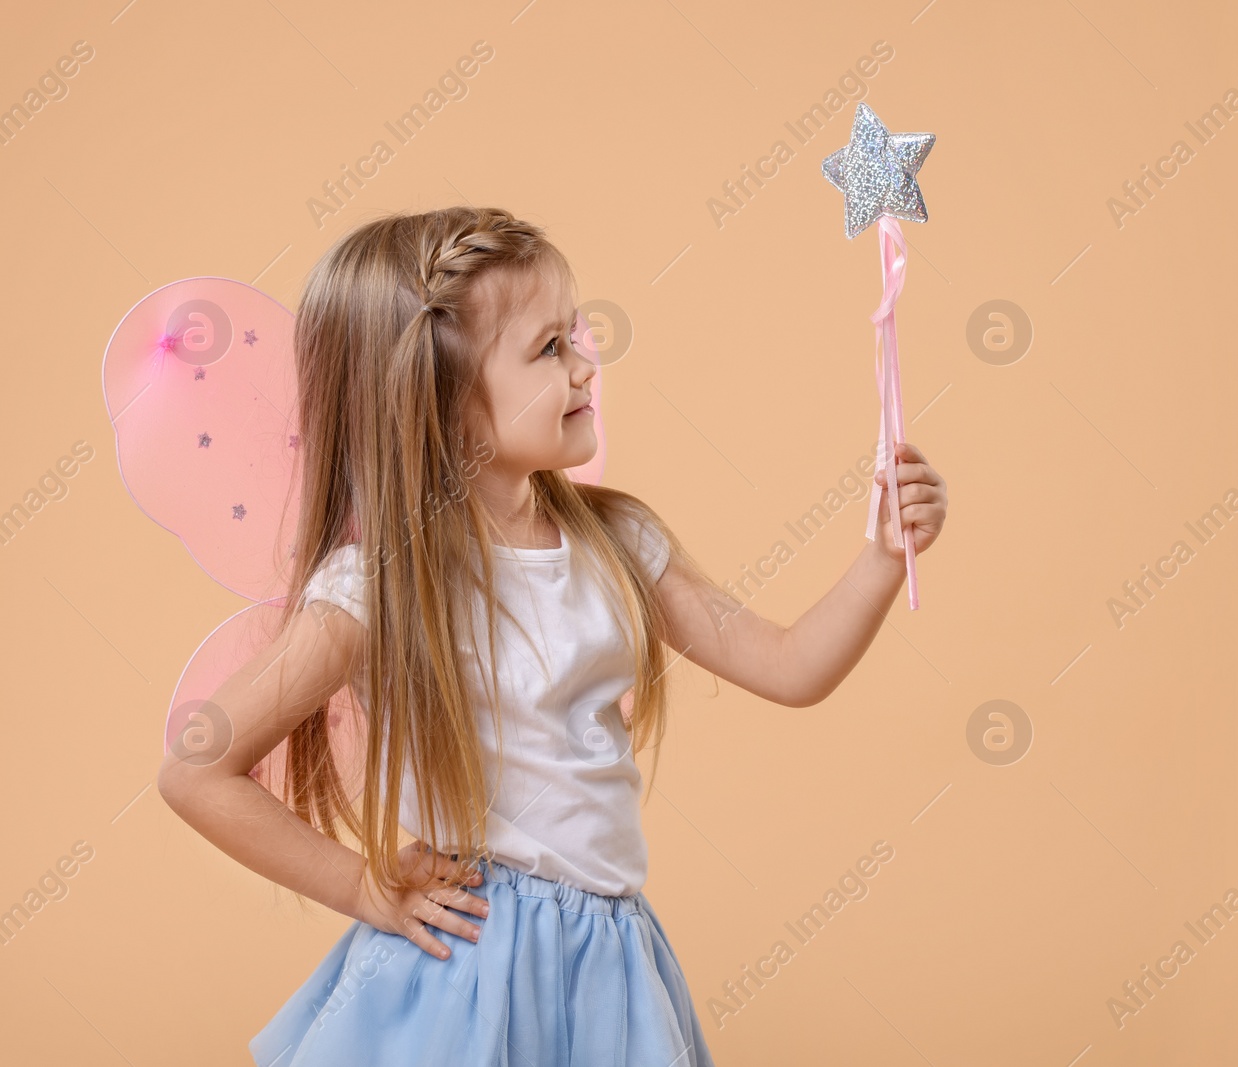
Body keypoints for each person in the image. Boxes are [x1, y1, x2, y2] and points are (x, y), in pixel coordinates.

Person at [155, 206, 948, 1066]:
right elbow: (195, 768)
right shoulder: (380, 590)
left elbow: (790, 666)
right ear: (445, 403)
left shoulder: (619, 545)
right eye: (549, 349)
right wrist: (361, 886)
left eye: (577, 334)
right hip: (468, 966)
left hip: (609, 962)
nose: (584, 365)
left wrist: (880, 557)